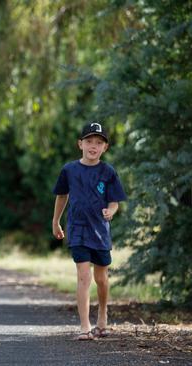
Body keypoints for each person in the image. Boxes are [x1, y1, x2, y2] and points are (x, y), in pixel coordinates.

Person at [52, 122, 127, 341]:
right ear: (80, 144)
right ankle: (85, 328)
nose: (93, 146)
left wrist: (110, 211)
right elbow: (61, 196)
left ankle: (102, 316)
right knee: (83, 277)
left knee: (101, 278)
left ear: (105, 147)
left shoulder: (108, 172)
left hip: (100, 232)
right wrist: (56, 221)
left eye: (98, 142)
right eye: (89, 142)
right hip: (77, 230)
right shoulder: (69, 170)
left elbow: (115, 201)